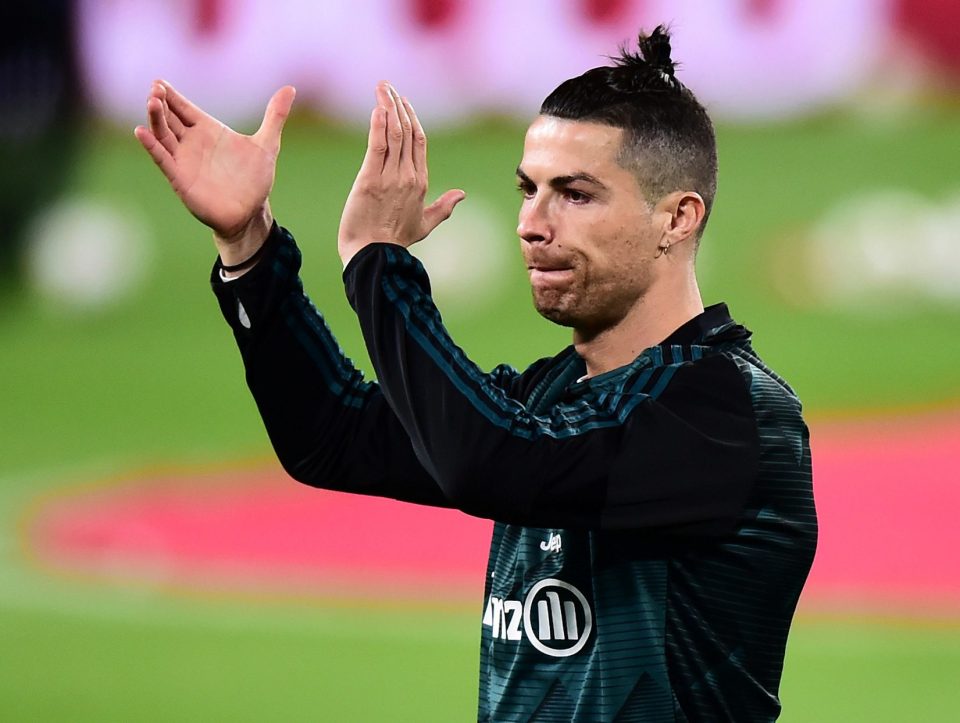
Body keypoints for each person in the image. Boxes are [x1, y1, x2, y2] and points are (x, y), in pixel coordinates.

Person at [136, 26, 816, 723]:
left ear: (677, 218)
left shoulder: (727, 410)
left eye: (575, 194)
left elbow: (494, 462)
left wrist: (380, 263)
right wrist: (249, 245)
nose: (531, 222)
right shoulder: (555, 396)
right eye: (529, 189)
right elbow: (331, 434)